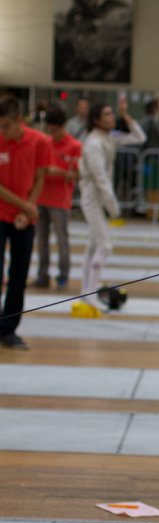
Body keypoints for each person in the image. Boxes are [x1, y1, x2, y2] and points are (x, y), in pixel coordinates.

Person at [75, 97, 146, 316]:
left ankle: (86, 292)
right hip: (92, 198)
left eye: (111, 113)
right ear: (97, 120)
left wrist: (125, 115)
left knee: (93, 246)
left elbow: (139, 137)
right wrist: (113, 205)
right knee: (104, 246)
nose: (112, 117)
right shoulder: (94, 143)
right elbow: (100, 178)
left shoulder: (108, 138)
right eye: (107, 114)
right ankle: (90, 294)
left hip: (99, 198)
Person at [0, 95, 50, 350]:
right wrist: (26, 206)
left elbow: (40, 178)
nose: (3, 131)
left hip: (24, 217)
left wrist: (28, 209)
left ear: (19, 120)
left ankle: (8, 330)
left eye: (6, 126)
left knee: (18, 276)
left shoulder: (39, 141)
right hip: (2, 213)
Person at [34, 107, 81, 290]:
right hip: (41, 197)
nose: (52, 134)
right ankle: (42, 275)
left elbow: (78, 175)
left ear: (63, 126)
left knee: (62, 240)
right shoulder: (45, 142)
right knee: (41, 240)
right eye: (50, 130)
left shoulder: (74, 146)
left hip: (60, 200)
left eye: (55, 130)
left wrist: (60, 172)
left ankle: (63, 275)